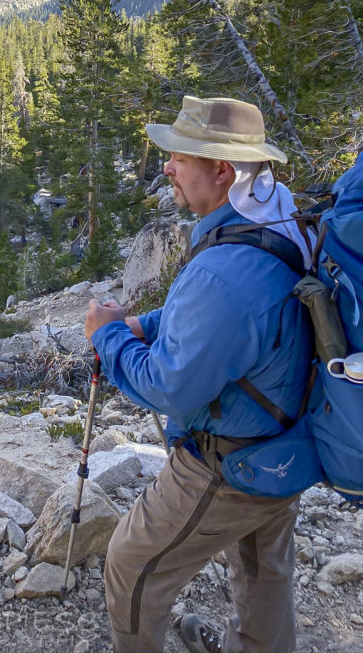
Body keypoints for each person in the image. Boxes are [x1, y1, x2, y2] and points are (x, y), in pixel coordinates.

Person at [85, 95, 313, 653]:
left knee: (132, 563)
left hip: (224, 459)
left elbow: (168, 385)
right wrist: (149, 322)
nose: (166, 167)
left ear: (222, 170)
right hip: (285, 441)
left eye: (180, 157)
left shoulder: (225, 273)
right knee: (263, 572)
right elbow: (239, 322)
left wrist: (108, 336)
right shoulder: (279, 216)